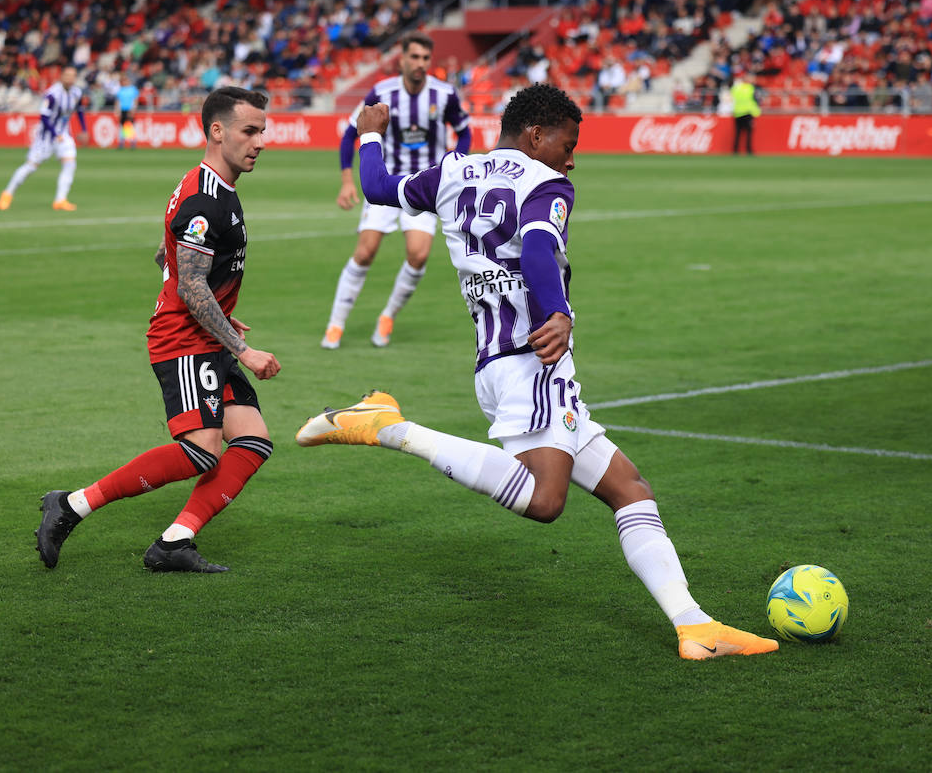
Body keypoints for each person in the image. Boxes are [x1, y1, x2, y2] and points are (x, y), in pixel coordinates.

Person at [296, 84, 778, 661]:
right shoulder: (546, 183)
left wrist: (370, 131)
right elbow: (537, 250)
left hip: (497, 361)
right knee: (545, 500)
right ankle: (391, 427)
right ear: (535, 135)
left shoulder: (452, 171)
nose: (572, 158)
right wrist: (559, 313)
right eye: (567, 143)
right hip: (534, 359)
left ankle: (694, 625)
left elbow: (377, 187)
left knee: (630, 490)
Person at [36, 86, 280, 573]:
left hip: (206, 334)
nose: (259, 141)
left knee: (252, 439)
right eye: (249, 131)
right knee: (202, 451)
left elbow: (169, 260)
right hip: (184, 339)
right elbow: (189, 283)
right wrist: (242, 347)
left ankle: (175, 541)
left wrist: (220, 311)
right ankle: (72, 504)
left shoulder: (214, 190)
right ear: (217, 131)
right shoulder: (204, 197)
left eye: (262, 131)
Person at [321, 33, 471, 349]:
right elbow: (351, 134)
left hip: (424, 185)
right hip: (385, 183)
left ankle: (387, 316)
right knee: (365, 252)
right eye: (414, 57)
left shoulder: (444, 95)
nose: (420, 64)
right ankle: (335, 324)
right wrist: (348, 180)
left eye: (425, 59)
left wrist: (454, 165)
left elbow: (464, 131)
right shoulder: (382, 92)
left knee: (418, 255)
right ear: (402, 59)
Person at [0, 65, 86, 211]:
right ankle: (7, 193)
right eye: (67, 75)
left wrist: (84, 129)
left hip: (64, 135)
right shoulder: (52, 94)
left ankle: (60, 200)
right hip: (46, 136)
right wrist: (54, 134)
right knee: (30, 167)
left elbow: (80, 110)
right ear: (61, 77)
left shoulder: (76, 93)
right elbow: (44, 117)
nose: (70, 79)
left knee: (70, 164)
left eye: (73, 76)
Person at [729, 74, 760, 154]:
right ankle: (749, 150)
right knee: (749, 133)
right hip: (748, 113)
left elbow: (730, 97)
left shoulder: (736, 88)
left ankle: (735, 150)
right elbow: (755, 100)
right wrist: (756, 112)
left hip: (737, 113)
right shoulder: (751, 88)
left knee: (737, 133)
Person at [116, 72, 141, 150]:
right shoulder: (120, 90)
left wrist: (133, 109)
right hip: (123, 110)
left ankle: (132, 142)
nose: (123, 82)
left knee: (130, 126)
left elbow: (135, 100)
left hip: (130, 110)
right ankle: (121, 143)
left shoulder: (133, 89)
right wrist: (117, 110)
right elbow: (118, 101)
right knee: (122, 127)